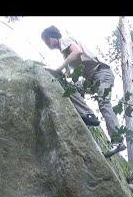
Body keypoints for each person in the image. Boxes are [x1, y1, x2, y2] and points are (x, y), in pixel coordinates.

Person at [41, 25, 126, 156]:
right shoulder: (64, 53)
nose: (46, 43)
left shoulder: (64, 41)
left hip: (101, 72)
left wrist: (58, 69)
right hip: (91, 79)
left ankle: (118, 140)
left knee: (104, 104)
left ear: (53, 37)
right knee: (71, 89)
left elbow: (77, 52)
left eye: (46, 40)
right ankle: (88, 115)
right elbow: (69, 74)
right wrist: (61, 73)